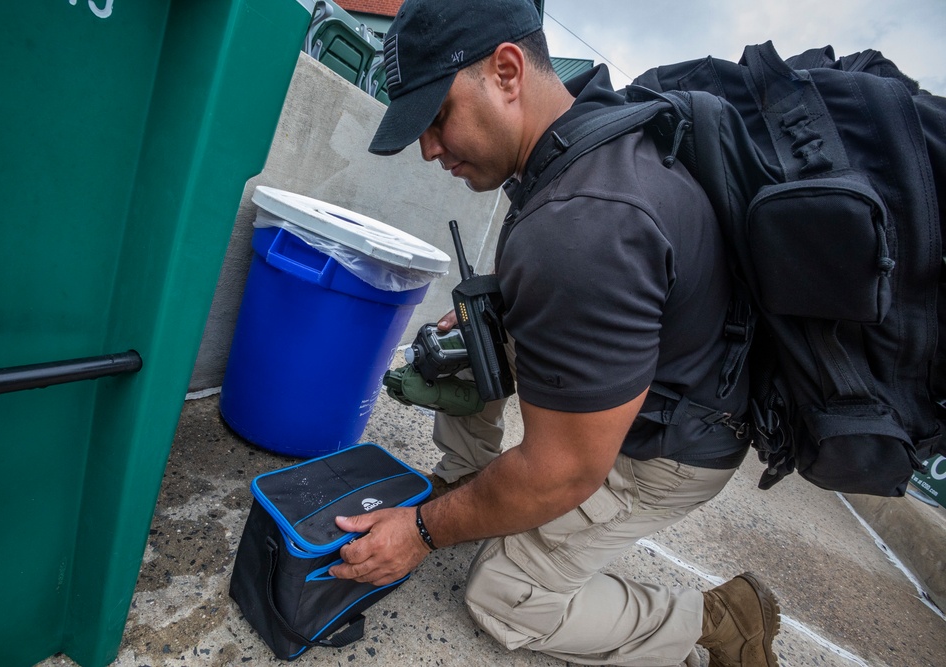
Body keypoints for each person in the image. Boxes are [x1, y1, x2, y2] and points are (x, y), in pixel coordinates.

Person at [329, 0, 780, 665]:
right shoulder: (587, 134)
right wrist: (503, 311)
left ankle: (718, 622)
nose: (427, 148)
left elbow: (561, 472)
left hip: (674, 444)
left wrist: (422, 531)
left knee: (504, 594)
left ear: (507, 71)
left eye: (436, 117)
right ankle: (468, 481)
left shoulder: (581, 226)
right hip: (665, 366)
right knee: (468, 340)